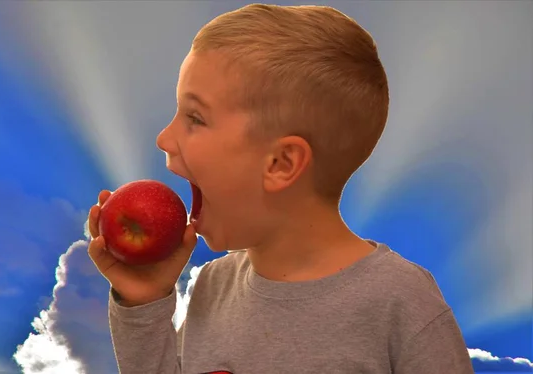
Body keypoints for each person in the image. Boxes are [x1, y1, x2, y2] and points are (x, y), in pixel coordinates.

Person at [87, 4, 474, 374]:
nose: (164, 139)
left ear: (281, 164)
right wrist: (144, 302)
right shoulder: (213, 286)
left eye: (195, 118)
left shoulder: (399, 299)